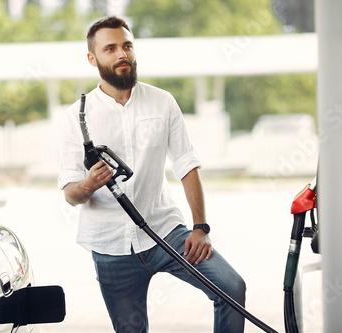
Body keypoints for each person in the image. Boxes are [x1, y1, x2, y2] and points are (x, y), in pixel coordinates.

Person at [58, 16, 246, 333]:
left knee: (231, 288)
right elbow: (69, 194)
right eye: (111, 48)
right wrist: (88, 184)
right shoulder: (76, 117)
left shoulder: (162, 102)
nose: (122, 54)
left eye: (127, 46)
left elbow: (186, 163)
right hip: (110, 247)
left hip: (166, 231)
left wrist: (200, 227)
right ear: (93, 58)